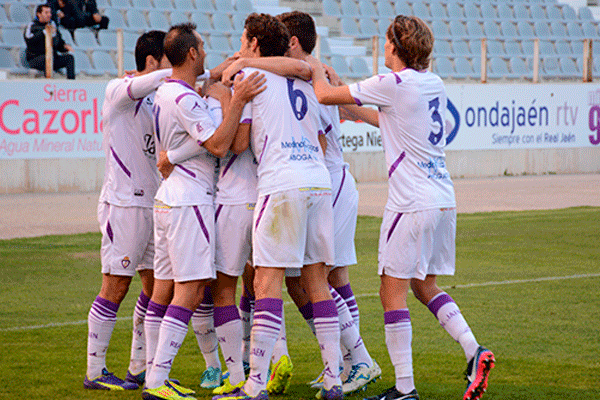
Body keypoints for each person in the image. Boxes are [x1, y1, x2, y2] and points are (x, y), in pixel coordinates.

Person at [306, 15, 495, 400]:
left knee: (391, 292)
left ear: (394, 47)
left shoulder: (392, 83)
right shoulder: (432, 83)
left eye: (387, 42)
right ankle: (474, 351)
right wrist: (350, 96)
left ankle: (405, 389)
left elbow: (324, 96)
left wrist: (312, 67)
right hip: (442, 197)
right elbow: (387, 120)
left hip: (411, 202)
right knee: (424, 285)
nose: (385, 47)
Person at [215, 13, 341, 400]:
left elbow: (236, 145)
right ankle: (333, 378)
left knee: (265, 282)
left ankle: (254, 385)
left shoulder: (250, 79)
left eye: (242, 39)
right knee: (317, 282)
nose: (239, 45)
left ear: (254, 43)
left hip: (280, 183)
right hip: (317, 183)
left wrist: (233, 100)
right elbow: (320, 138)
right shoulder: (304, 80)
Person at [141, 22, 265, 400]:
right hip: (190, 201)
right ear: (191, 53)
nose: (207, 54)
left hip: (168, 199)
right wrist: (237, 100)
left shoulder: (167, 91)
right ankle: (157, 381)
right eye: (203, 48)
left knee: (166, 290)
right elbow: (219, 144)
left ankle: (155, 374)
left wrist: (220, 81)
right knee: (191, 291)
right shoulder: (186, 100)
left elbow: (195, 136)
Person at [84, 30, 171, 391]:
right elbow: (154, 80)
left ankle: (139, 366)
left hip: (154, 204)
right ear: (153, 61)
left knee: (154, 288)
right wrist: (184, 71)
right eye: (172, 57)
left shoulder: (158, 100)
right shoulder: (118, 91)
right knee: (115, 285)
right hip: (124, 204)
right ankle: (94, 371)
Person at [24, 4, 75, 80]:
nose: (49, 15)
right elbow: (29, 39)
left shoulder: (52, 25)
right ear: (39, 14)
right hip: (36, 58)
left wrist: (65, 47)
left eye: (50, 13)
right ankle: (48, 84)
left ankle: (71, 83)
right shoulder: (32, 26)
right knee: (46, 59)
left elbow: (59, 44)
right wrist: (44, 32)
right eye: (46, 13)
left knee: (69, 58)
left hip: (52, 58)